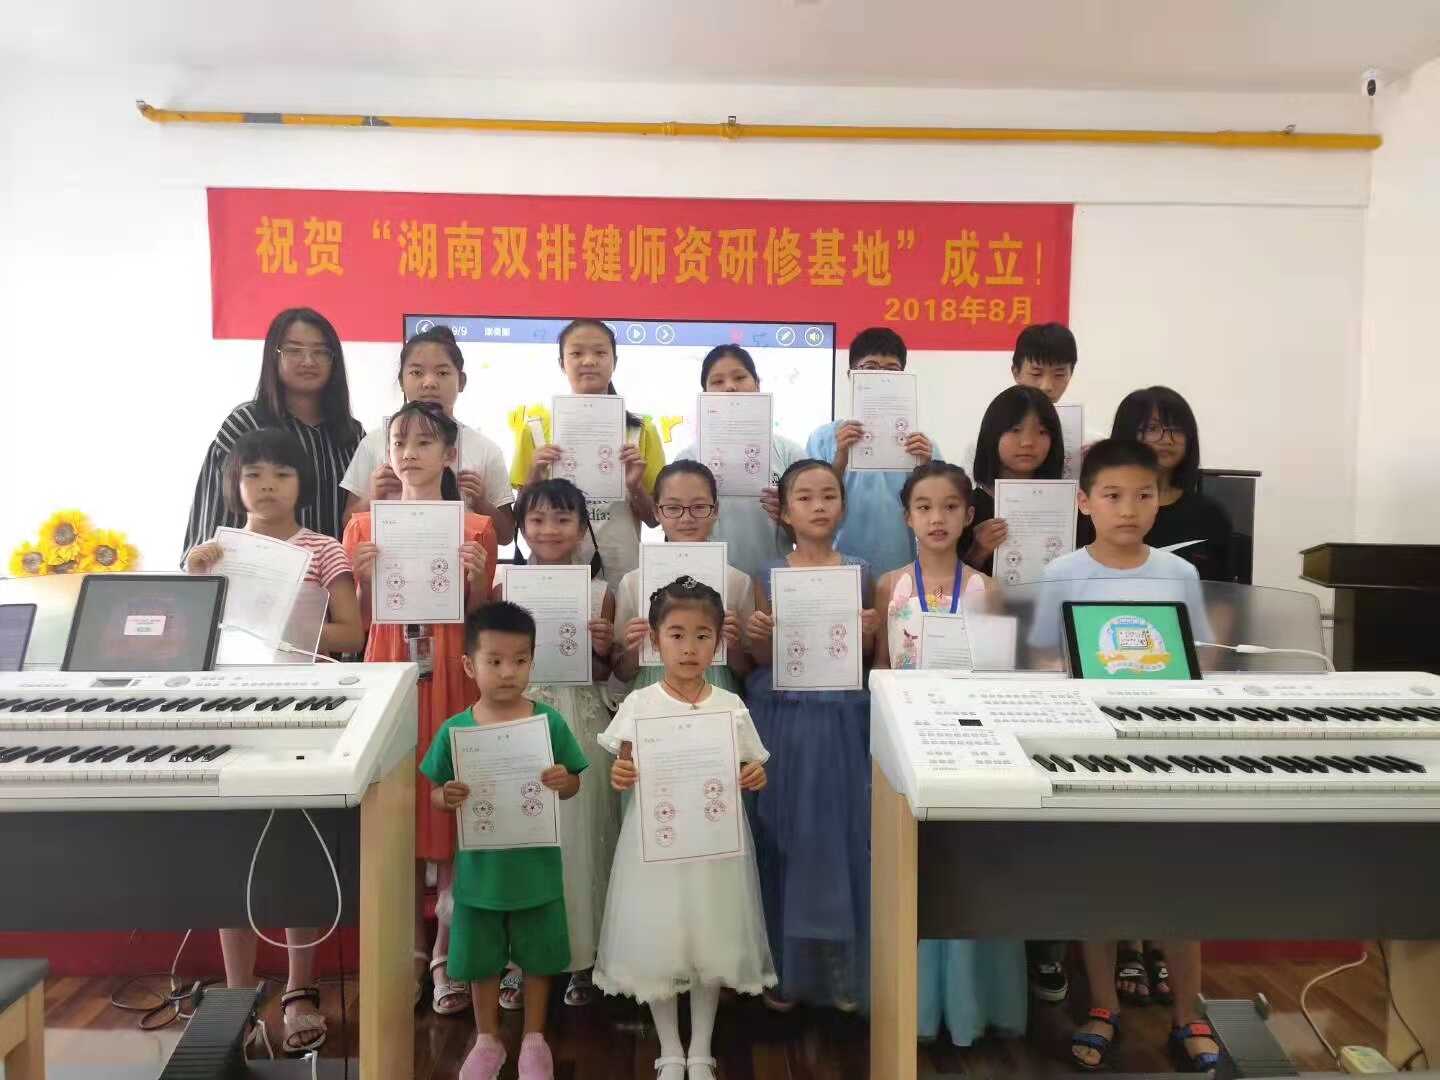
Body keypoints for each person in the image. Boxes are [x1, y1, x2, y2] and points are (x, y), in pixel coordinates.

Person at [1026, 439, 1217, 1073]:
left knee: (1178, 883)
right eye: (1112, 496)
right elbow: (1041, 656)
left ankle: (1188, 1012)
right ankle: (1103, 1005)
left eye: (1143, 495)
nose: (1128, 509)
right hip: (1090, 745)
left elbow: (1200, 657)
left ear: (1160, 501)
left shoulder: (1179, 574)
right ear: (1085, 502)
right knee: (1098, 881)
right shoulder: (1062, 573)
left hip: (1166, 743)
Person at [183, 427, 364, 1055]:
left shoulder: (324, 549)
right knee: (230, 849)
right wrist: (196, 578)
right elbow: (191, 636)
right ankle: (236, 995)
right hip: (228, 709)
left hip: (300, 709)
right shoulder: (216, 551)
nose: (266, 485)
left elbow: (352, 632)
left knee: (295, 847)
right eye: (253, 474)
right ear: (233, 485)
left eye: (281, 474)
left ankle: (298, 988)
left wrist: (290, 628)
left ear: (301, 483)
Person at [342, 401, 498, 1017]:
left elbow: (481, 620)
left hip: (453, 673)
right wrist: (361, 580)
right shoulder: (364, 528)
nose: (409, 453)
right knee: (398, 806)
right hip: (389, 671)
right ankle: (408, 951)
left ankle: (445, 952)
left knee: (450, 802)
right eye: (399, 441)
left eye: (425, 442)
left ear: (450, 455)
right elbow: (361, 623)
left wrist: (478, 579)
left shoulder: (476, 527)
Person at [872, 462, 1028, 1046]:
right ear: (907, 517)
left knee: (964, 871)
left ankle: (970, 1006)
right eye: (924, 507)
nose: (937, 518)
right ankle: (915, 1007)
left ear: (969, 516)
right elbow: (881, 667)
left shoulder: (987, 589)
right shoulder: (890, 586)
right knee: (912, 869)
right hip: (905, 744)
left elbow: (1001, 674)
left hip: (969, 745)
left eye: (950, 507)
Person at [594, 577, 774, 1080]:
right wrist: (620, 773)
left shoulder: (729, 705)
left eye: (702, 636)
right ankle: (670, 1047)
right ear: (655, 640)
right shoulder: (640, 705)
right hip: (657, 843)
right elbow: (622, 766)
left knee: (710, 936)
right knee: (662, 937)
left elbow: (751, 766)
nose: (689, 647)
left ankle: (701, 1048)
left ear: (718, 642)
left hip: (716, 845)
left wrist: (754, 776)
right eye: (676, 635)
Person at [421, 601, 589, 1080]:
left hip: (536, 868)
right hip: (481, 874)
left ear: (532, 661)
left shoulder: (548, 723)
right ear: (468, 665)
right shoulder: (457, 730)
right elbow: (435, 793)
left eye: (519, 660)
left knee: (538, 955)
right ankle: (487, 1039)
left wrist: (563, 781)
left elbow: (574, 782)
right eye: (494, 661)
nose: (508, 672)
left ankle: (535, 1038)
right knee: (480, 959)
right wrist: (447, 796)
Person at [744, 459, 878, 1012]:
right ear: (785, 510)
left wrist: (870, 631)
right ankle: (785, 966)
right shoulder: (767, 573)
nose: (818, 505)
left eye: (829, 495)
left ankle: (843, 970)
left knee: (842, 837)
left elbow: (870, 659)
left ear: (843, 505)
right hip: (785, 716)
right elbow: (760, 659)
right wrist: (757, 634)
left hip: (843, 717)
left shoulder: (862, 572)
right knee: (786, 836)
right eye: (805, 497)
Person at [493, 478, 620, 1010]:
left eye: (563, 518)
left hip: (578, 719)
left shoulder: (600, 592)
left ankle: (582, 958)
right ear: (521, 526)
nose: (550, 529)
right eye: (538, 518)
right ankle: (519, 960)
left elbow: (605, 672)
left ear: (583, 528)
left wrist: (603, 647)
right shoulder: (503, 584)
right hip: (518, 719)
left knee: (581, 840)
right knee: (523, 841)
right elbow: (491, 660)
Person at [183, 307, 364, 555]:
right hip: (257, 571)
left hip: (335, 572)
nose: (308, 361)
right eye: (294, 350)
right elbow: (212, 522)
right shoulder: (245, 425)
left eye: (320, 352)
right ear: (273, 356)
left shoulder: (352, 434)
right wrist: (206, 561)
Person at [511, 319, 665, 592]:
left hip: (622, 567)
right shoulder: (535, 429)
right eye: (577, 353)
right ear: (562, 363)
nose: (589, 361)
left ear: (614, 361)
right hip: (552, 568)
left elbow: (654, 519)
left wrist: (634, 486)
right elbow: (520, 516)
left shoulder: (641, 430)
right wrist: (535, 473)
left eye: (600, 352)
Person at [342, 324, 516, 543]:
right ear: (401, 381)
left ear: (461, 382)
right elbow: (347, 525)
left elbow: (506, 535)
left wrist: (481, 503)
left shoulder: (485, 449)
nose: (429, 383)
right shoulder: (374, 443)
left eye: (442, 373)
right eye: (416, 372)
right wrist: (371, 497)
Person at [612, 462, 753, 696]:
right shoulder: (633, 583)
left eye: (699, 507)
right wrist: (634, 651)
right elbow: (620, 672)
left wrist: (734, 647)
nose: (686, 518)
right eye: (673, 508)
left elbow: (748, 672)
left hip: (717, 694)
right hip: (652, 696)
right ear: (656, 511)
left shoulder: (738, 582)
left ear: (715, 510)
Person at [805, 327, 937, 576]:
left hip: (901, 568)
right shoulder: (823, 438)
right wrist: (840, 457)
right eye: (870, 368)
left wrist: (926, 467)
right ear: (851, 376)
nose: (881, 377)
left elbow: (938, 506)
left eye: (892, 370)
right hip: (838, 568)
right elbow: (810, 503)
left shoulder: (920, 444)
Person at [674, 345, 807, 581]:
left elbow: (811, 536)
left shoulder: (789, 453)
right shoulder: (688, 459)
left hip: (775, 583)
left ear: (757, 384)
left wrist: (787, 516)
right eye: (717, 381)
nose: (730, 387)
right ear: (705, 394)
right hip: (710, 584)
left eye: (739, 377)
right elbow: (676, 533)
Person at [1083, 386, 1234, 582]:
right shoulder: (1095, 509)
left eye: (1177, 430)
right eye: (1152, 429)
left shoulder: (1210, 515)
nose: (1167, 440)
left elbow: (1223, 593)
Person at [964, 385, 1066, 577]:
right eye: (1015, 430)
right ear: (992, 435)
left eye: (1042, 432)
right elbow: (942, 586)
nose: (1027, 442)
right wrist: (977, 552)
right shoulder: (966, 508)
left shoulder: (1068, 507)